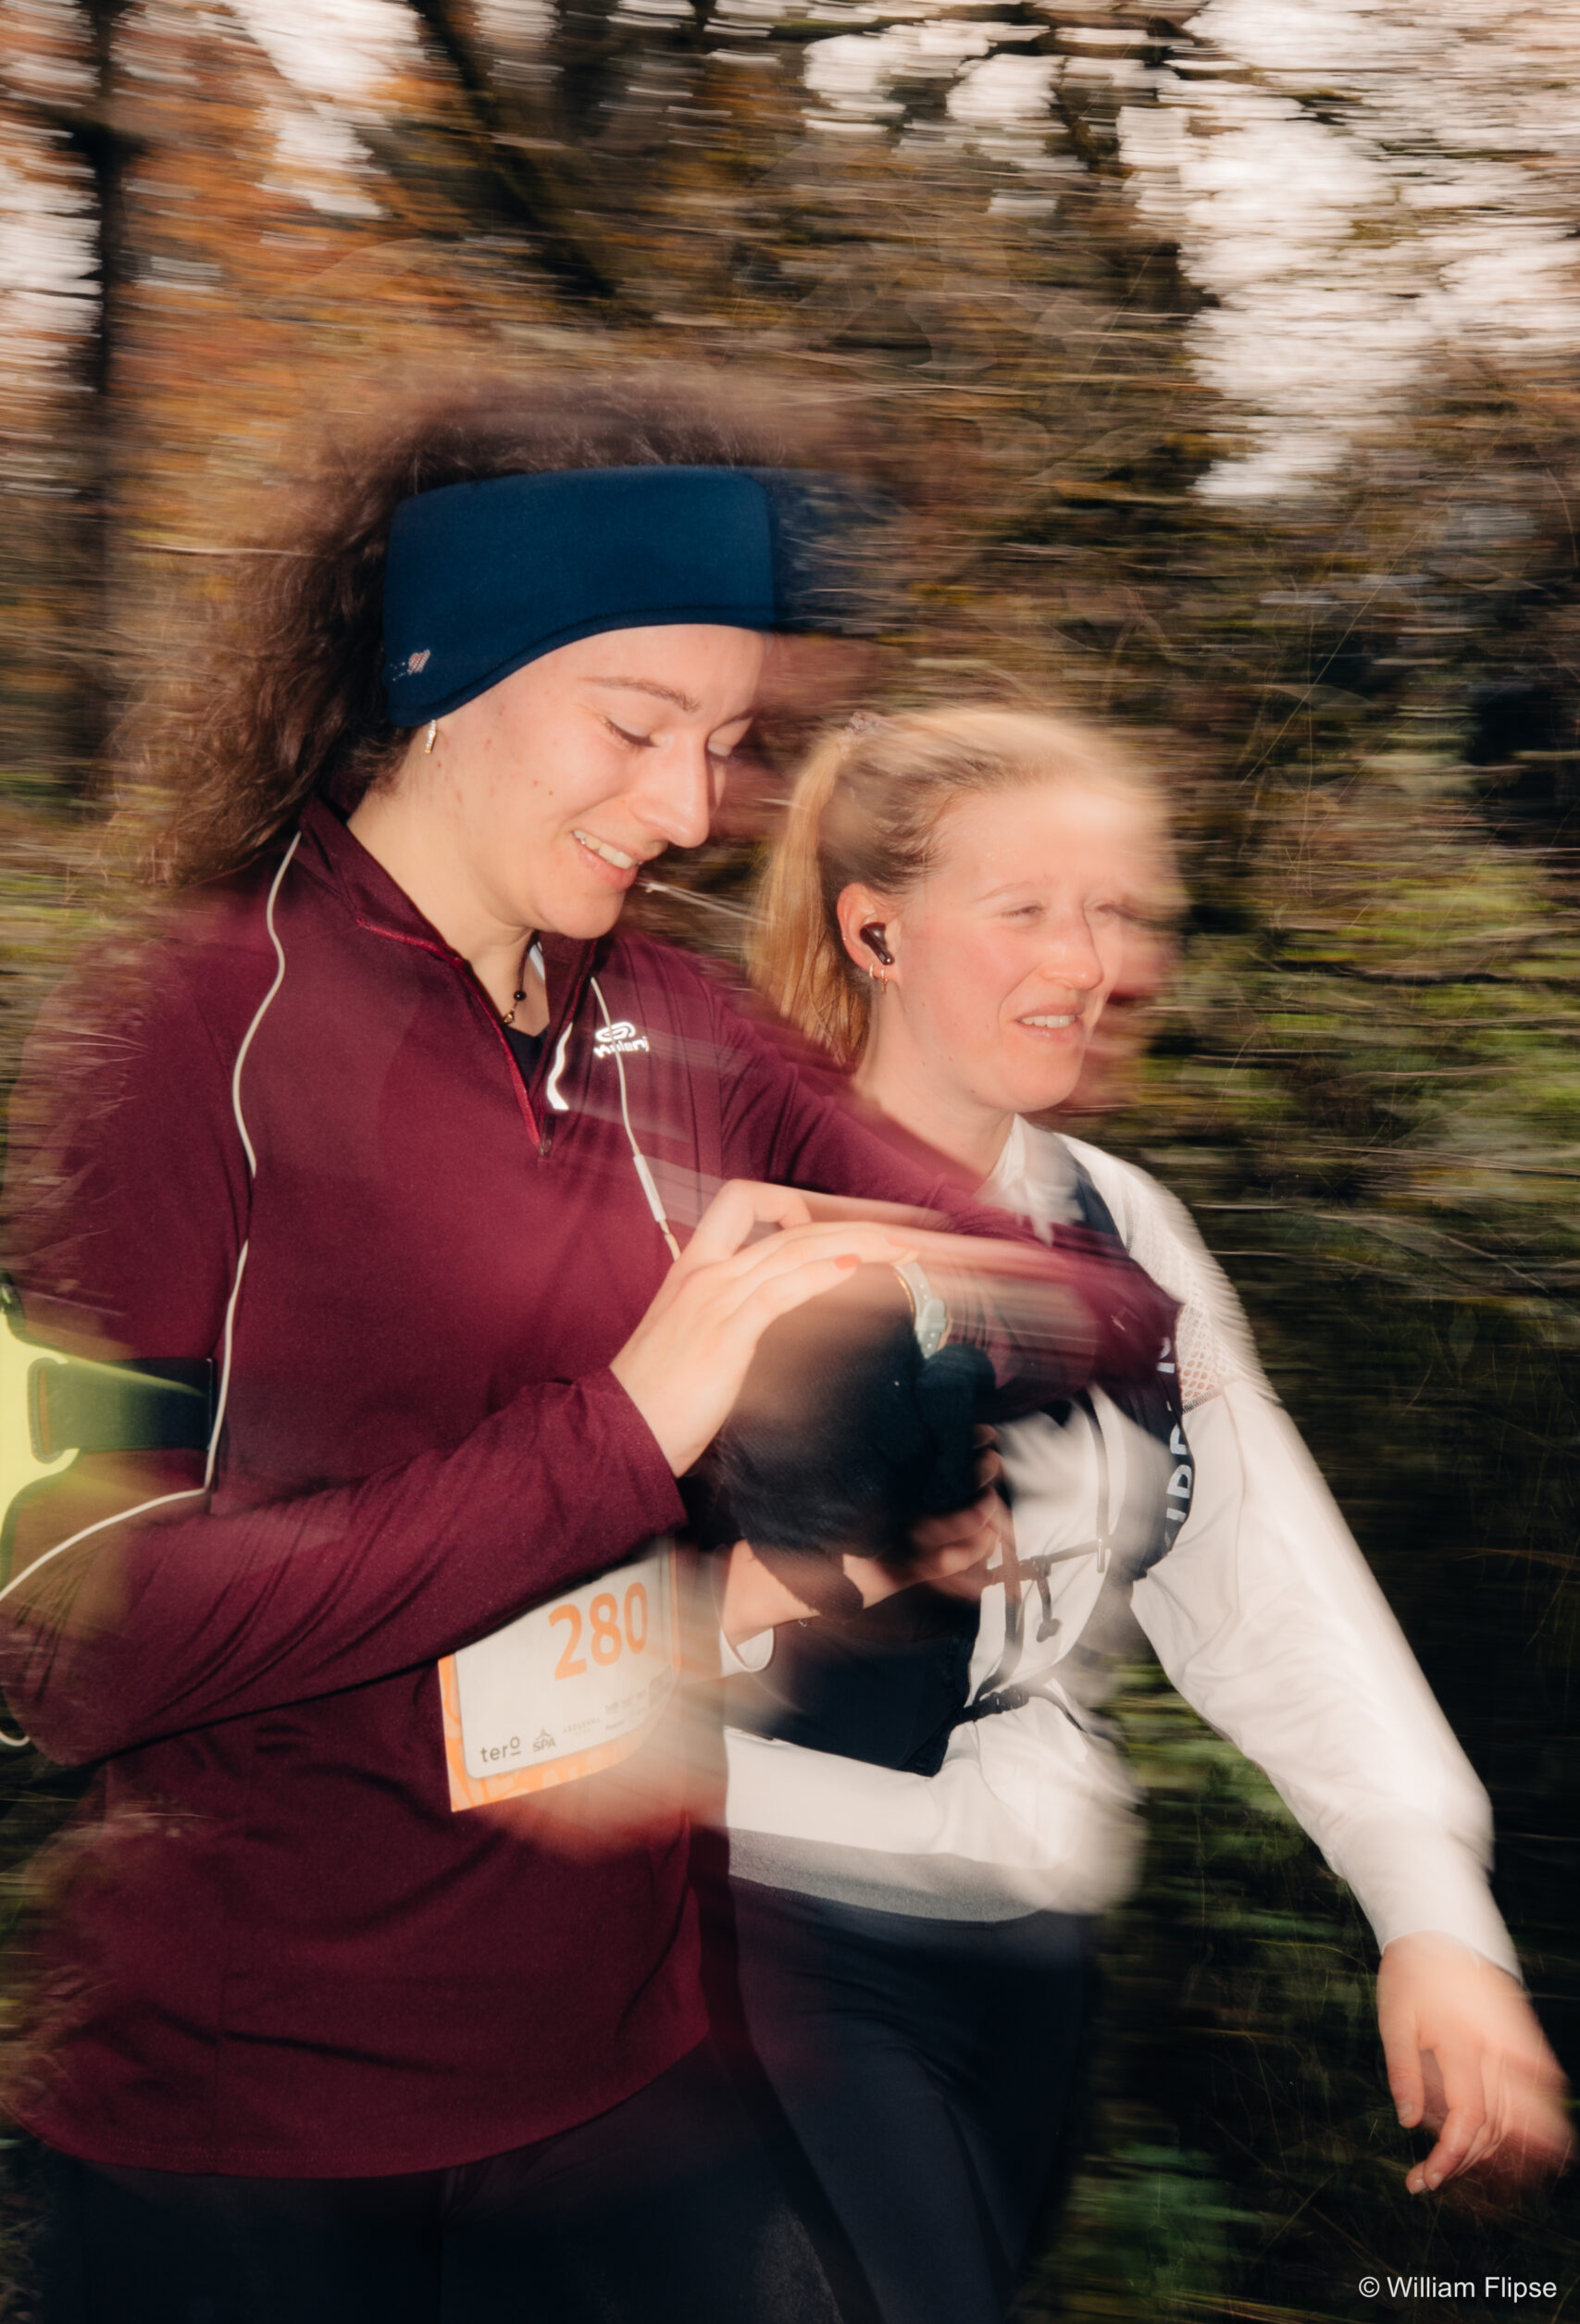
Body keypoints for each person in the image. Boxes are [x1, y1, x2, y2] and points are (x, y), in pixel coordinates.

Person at [0, 395, 1176, 2323]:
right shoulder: (178, 1036)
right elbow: (63, 1635)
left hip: (634, 2091)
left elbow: (1098, 1303)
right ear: (441, 676)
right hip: (248, 2145)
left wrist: (863, 1459)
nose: (691, 806)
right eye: (634, 726)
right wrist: (630, 1424)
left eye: (724, 740)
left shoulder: (674, 1023)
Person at [723, 702, 1573, 2324]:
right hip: (759, 1928)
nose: (1089, 961)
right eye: (1026, 910)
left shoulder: (1122, 1227)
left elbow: (1266, 1584)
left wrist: (1434, 1916)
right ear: (875, 929)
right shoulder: (719, 1210)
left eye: (1113, 912)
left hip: (1029, 1947)